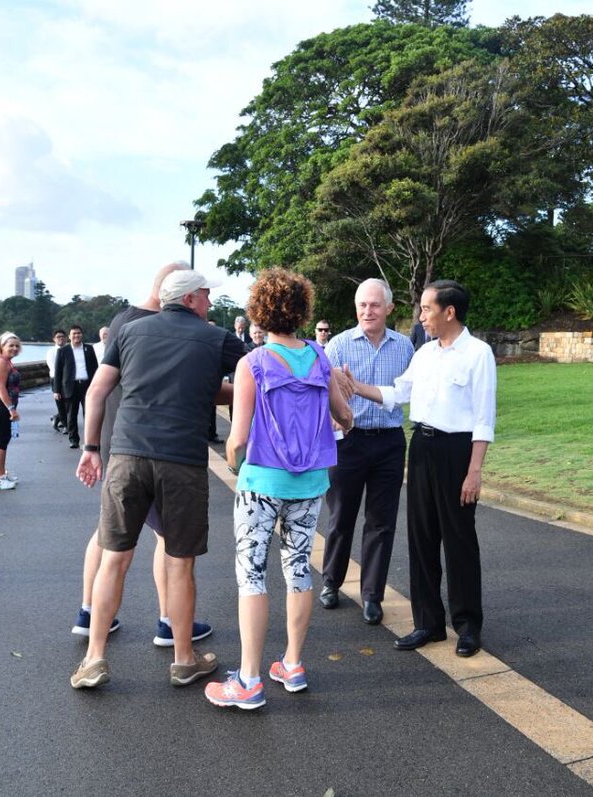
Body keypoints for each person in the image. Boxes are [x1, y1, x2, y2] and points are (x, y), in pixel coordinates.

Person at [70, 269, 245, 690]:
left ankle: (94, 659)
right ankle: (184, 659)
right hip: (181, 461)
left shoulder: (130, 331)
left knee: (114, 556)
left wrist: (91, 448)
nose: (210, 302)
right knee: (180, 561)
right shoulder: (217, 338)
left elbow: (97, 392)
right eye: (205, 295)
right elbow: (256, 377)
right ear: (188, 300)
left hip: (126, 454)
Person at [205, 268, 353, 711]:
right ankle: (291, 664)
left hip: (262, 482)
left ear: (260, 312)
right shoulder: (319, 358)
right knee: (299, 569)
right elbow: (345, 418)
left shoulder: (252, 363)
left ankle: (248, 680)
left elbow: (237, 439)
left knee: (251, 574)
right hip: (310, 483)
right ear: (302, 310)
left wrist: (235, 467)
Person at [339, 280, 495, 657]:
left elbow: (483, 418)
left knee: (459, 541)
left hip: (457, 451)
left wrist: (474, 471)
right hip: (422, 447)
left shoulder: (478, 354)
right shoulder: (424, 354)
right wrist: (355, 386)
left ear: (449, 312)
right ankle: (428, 622)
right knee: (421, 538)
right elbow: (398, 393)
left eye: (426, 309)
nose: (421, 316)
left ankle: (467, 625)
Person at [319, 279, 414, 625]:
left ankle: (372, 594)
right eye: (362, 305)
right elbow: (322, 395)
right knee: (340, 516)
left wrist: (356, 387)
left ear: (389, 308)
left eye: (374, 305)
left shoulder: (404, 347)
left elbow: (403, 393)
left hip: (388, 441)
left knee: (381, 522)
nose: (367, 311)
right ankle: (331, 581)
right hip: (349, 441)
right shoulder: (339, 346)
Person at [0, 332, 22, 491]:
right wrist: (11, 409)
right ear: (1, 346)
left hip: (5, 406)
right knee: (1, 440)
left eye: (16, 345)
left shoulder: (7, 362)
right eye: (10, 345)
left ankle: (1, 472)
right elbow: (0, 387)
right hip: (0, 407)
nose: (14, 348)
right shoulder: (1, 362)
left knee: (4, 439)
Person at [54, 324, 98, 449]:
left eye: (78, 333)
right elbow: (58, 372)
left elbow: (95, 368)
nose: (76, 335)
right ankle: (73, 440)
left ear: (81, 334)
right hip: (70, 386)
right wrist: (56, 390)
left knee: (89, 414)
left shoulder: (89, 349)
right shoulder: (63, 351)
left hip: (87, 386)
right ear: (69, 336)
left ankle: (89, 440)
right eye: (74, 333)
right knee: (71, 415)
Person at [46, 329, 68, 432]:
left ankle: (58, 418)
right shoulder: (51, 352)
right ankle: (65, 424)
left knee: (69, 403)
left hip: (68, 380)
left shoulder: (69, 350)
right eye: (58, 337)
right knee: (60, 402)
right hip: (56, 379)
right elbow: (53, 368)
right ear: (54, 339)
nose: (61, 339)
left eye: (63, 336)